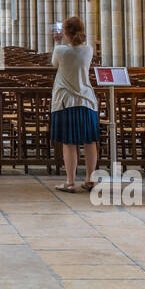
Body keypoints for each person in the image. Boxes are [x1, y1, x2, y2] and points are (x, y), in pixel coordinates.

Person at [50, 15, 99, 192]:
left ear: (65, 32)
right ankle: (90, 180)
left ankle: (70, 181)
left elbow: (54, 64)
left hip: (66, 101)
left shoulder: (60, 50)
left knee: (69, 143)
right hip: (87, 100)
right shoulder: (89, 50)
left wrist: (56, 42)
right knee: (90, 141)